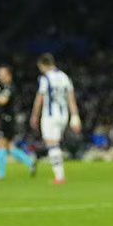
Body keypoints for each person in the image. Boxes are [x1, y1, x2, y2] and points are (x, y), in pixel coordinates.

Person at [29, 53, 81, 184]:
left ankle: (59, 177)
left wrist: (34, 115)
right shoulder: (65, 77)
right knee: (55, 144)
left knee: (52, 144)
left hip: (50, 115)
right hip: (63, 115)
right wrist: (75, 116)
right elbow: (71, 99)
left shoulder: (45, 78)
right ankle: (59, 175)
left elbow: (39, 99)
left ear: (44, 65)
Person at [0, 65, 36, 180]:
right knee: (9, 147)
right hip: (7, 119)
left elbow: (3, 101)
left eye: (2, 74)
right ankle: (29, 161)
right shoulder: (6, 87)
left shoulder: (9, 88)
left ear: (9, 75)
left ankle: (0, 173)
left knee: (0, 145)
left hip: (7, 120)